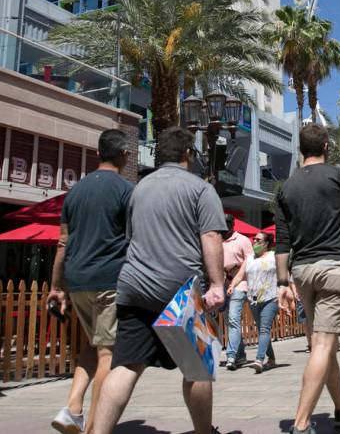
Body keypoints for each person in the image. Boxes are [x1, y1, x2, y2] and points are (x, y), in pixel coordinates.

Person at [91, 127, 227, 434]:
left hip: (134, 287)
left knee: (126, 365)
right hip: (179, 292)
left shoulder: (138, 188)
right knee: (196, 369)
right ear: (187, 155)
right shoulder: (201, 189)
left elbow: (130, 236)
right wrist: (217, 284)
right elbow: (210, 235)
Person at [275, 123, 340, 434]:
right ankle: (301, 424)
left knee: (324, 344)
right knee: (323, 344)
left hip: (302, 273)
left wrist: (281, 284)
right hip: (333, 269)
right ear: (326, 146)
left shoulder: (286, 188)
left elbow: (282, 240)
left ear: (300, 149)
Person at [48, 129, 133, 434]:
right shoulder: (126, 190)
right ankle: (96, 427)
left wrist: (57, 287)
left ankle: (72, 408)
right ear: (124, 155)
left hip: (77, 279)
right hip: (110, 279)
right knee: (108, 352)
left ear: (98, 154)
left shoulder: (75, 192)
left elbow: (62, 243)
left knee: (94, 344)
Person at [228, 231, 278, 373]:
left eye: (258, 240)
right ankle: (272, 359)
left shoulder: (274, 257)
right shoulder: (249, 258)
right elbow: (240, 274)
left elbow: (283, 275)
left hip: (271, 297)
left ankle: (259, 360)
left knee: (264, 329)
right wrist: (232, 285)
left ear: (267, 243)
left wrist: (284, 292)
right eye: (254, 239)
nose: (254, 242)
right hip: (254, 299)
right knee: (262, 328)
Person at [222, 213, 253, 371]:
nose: (224, 227)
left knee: (234, 319)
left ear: (232, 225)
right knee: (229, 321)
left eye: (227, 225)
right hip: (224, 282)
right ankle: (240, 355)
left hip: (240, 283)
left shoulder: (242, 240)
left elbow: (249, 262)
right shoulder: (218, 240)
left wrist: (237, 279)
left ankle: (231, 356)